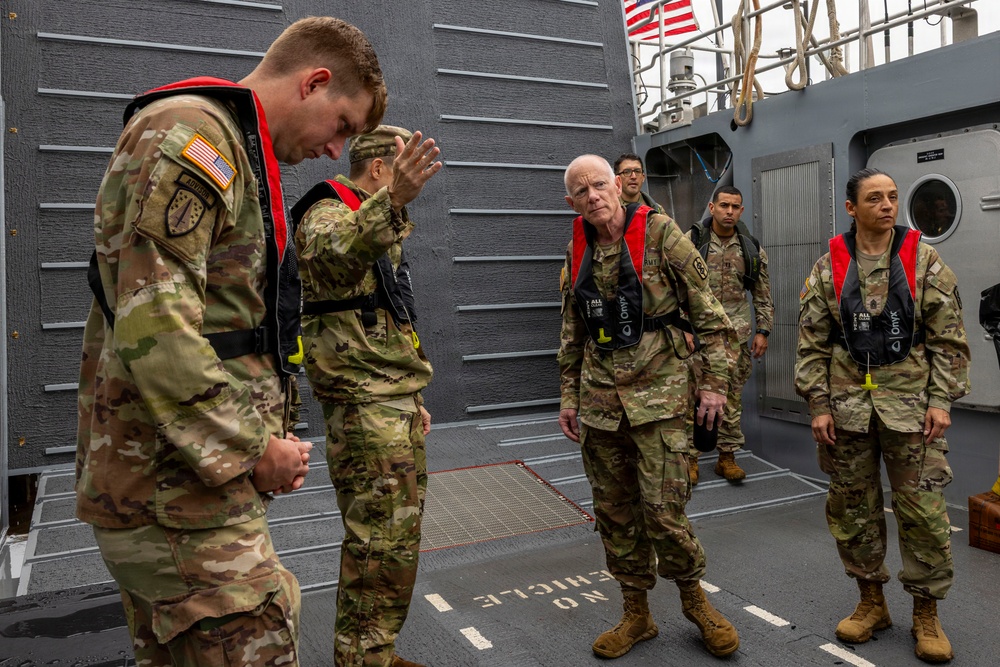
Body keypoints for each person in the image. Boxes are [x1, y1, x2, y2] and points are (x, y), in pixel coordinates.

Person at [76, 17, 387, 666]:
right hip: (174, 496)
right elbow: (153, 327)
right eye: (343, 126)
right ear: (315, 82)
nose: (337, 151)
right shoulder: (192, 137)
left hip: (190, 487)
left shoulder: (233, 148)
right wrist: (251, 449)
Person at [558, 154, 740, 659]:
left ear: (618, 186)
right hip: (599, 405)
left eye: (599, 185)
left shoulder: (662, 236)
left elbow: (712, 317)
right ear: (570, 202)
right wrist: (568, 397)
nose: (592, 196)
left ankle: (695, 601)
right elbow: (572, 332)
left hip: (660, 401)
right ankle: (636, 614)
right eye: (580, 191)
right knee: (615, 513)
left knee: (664, 512)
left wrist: (714, 386)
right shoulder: (577, 251)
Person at [795, 167, 970, 664]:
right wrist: (819, 404)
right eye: (875, 198)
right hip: (847, 411)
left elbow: (949, 340)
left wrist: (941, 399)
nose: (888, 205)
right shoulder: (829, 267)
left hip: (913, 410)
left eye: (893, 197)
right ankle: (871, 601)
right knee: (853, 511)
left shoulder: (923, 261)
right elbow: (811, 342)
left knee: (925, 514)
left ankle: (926, 612)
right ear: (852, 208)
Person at [293, 125, 441, 667]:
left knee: (397, 538)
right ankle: (360, 657)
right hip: (363, 405)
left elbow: (389, 310)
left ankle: (374, 648)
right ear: (378, 169)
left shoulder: (376, 220)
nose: (414, 180)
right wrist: (394, 202)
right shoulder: (326, 211)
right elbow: (334, 255)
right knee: (379, 539)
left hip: (390, 398)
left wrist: (413, 395)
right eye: (402, 169)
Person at [685, 186, 773, 483]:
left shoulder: (750, 248)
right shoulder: (692, 243)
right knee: (693, 396)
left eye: (735, 206)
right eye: (724, 205)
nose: (729, 212)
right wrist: (683, 330)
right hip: (698, 335)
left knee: (732, 397)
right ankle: (690, 458)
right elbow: (676, 291)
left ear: (742, 210)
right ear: (712, 207)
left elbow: (762, 294)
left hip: (736, 335)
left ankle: (727, 457)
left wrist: (763, 330)